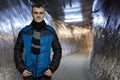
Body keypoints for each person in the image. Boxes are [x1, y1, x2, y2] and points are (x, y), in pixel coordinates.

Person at [14, 3, 62, 80]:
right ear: (31, 14)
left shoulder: (50, 32)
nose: (38, 15)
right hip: (28, 74)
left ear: (44, 14)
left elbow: (58, 50)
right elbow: (17, 50)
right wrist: (21, 68)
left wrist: (52, 68)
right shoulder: (24, 32)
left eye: (41, 13)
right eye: (35, 13)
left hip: (45, 74)